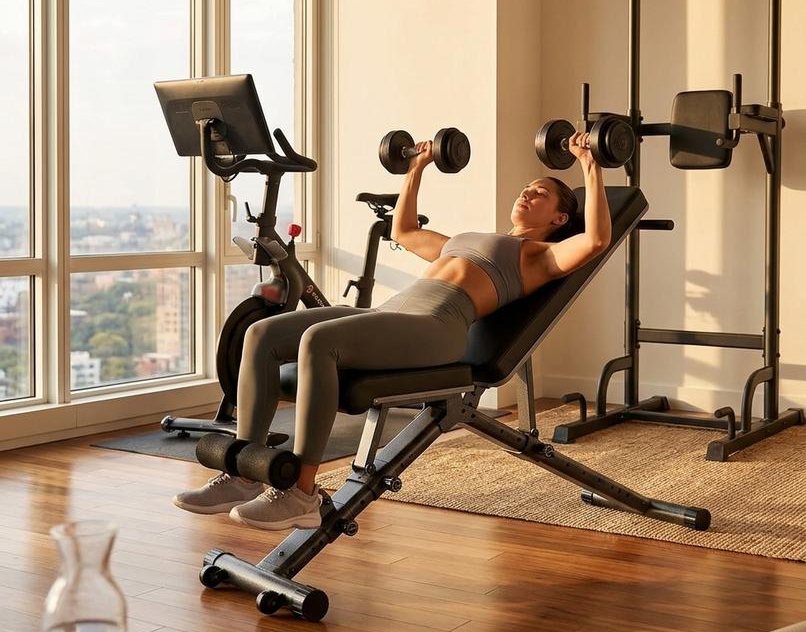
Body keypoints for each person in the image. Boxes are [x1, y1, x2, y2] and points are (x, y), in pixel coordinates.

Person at [173, 131, 611, 529]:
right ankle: (242, 471)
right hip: (394, 310)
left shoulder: (538, 256)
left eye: (540, 194)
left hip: (434, 326)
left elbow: (594, 240)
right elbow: (403, 230)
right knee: (261, 335)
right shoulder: (469, 238)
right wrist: (416, 169)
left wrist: (589, 164)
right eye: (526, 189)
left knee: (318, 341)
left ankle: (302, 493)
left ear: (558, 219)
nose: (527, 194)